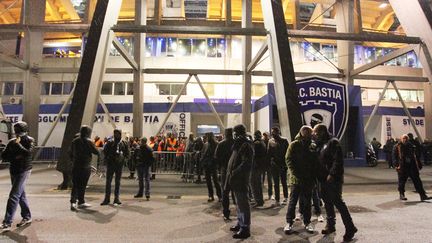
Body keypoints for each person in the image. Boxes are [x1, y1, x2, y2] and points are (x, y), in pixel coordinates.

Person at [313, 124, 357, 242]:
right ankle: (330, 225)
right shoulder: (321, 144)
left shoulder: (333, 142)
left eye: (316, 133)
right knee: (327, 202)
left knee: (338, 202)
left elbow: (338, 160)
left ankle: (350, 228)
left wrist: (332, 174)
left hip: (332, 179)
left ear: (322, 132)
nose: (315, 135)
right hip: (322, 179)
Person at [0, 121, 35, 232]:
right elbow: (4, 156)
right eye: (16, 130)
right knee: (20, 195)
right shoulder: (11, 142)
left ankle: (7, 222)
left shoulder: (29, 140)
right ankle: (27, 216)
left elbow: (28, 153)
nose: (17, 132)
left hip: (24, 170)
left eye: (18, 130)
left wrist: (18, 145)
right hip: (14, 170)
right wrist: (15, 156)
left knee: (14, 195)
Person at [284, 126, 318, 234]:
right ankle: (289, 222)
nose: (308, 134)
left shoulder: (312, 146)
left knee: (307, 202)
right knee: (293, 201)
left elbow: (315, 162)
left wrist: (313, 176)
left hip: (308, 180)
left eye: (310, 132)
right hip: (296, 180)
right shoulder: (294, 145)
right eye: (306, 132)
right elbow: (288, 159)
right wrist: (295, 173)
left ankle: (307, 223)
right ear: (301, 133)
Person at [226, 124, 254, 239]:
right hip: (236, 177)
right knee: (238, 203)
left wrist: (235, 172)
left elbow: (246, 163)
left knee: (242, 203)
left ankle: (245, 228)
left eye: (235, 132)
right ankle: (240, 223)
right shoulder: (239, 143)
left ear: (237, 133)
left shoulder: (245, 144)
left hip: (240, 178)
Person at [69, 126, 99, 211]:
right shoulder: (89, 141)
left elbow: (70, 153)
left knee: (75, 185)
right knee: (83, 185)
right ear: (88, 132)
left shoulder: (74, 141)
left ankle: (73, 202)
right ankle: (81, 202)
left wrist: (73, 161)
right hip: (85, 166)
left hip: (76, 166)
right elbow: (96, 152)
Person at [393, 134, 431, 201]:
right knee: (402, 181)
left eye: (406, 138)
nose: (405, 140)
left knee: (418, 181)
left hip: (412, 166)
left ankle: (423, 195)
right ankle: (401, 194)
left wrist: (419, 164)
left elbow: (415, 156)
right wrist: (396, 165)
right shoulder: (397, 147)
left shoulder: (411, 146)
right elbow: (394, 157)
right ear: (401, 139)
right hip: (403, 166)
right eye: (404, 138)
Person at [101, 129, 130, 206]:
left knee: (117, 182)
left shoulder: (124, 143)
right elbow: (105, 151)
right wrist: (107, 158)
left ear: (120, 134)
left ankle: (116, 198)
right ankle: (107, 199)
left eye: (118, 133)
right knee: (108, 182)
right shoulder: (110, 142)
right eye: (115, 133)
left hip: (119, 165)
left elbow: (128, 154)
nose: (116, 135)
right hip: (111, 164)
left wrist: (123, 159)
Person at [215, 128, 235, 220]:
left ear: (225, 134)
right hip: (235, 169)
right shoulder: (236, 143)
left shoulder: (221, 144)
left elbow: (216, 157)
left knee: (225, 192)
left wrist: (220, 167)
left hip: (225, 169)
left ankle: (226, 212)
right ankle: (239, 210)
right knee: (237, 191)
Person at [267, 127, 289, 206]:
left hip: (283, 164)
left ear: (278, 132)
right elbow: (269, 153)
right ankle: (277, 200)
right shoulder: (270, 141)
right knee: (276, 183)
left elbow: (288, 153)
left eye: (274, 132)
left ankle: (286, 197)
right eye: (272, 132)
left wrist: (286, 164)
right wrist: (269, 164)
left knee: (284, 182)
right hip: (274, 165)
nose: (273, 134)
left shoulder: (284, 140)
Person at [202, 132, 221, 202]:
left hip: (213, 165)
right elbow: (203, 154)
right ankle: (211, 195)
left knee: (216, 181)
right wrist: (203, 162)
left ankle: (220, 196)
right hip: (207, 165)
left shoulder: (217, 144)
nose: (208, 138)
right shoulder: (206, 144)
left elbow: (218, 155)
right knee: (209, 182)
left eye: (209, 136)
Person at [251, 130, 266, 207]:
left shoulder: (256, 143)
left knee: (254, 184)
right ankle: (260, 200)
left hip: (255, 166)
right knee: (258, 184)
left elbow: (253, 155)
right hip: (260, 166)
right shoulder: (262, 143)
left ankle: (258, 201)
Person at [262, 132, 272, 200]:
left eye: (266, 136)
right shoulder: (262, 142)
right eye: (264, 136)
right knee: (262, 179)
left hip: (268, 163)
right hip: (263, 163)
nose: (265, 137)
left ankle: (270, 194)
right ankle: (262, 194)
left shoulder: (270, 142)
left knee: (269, 180)